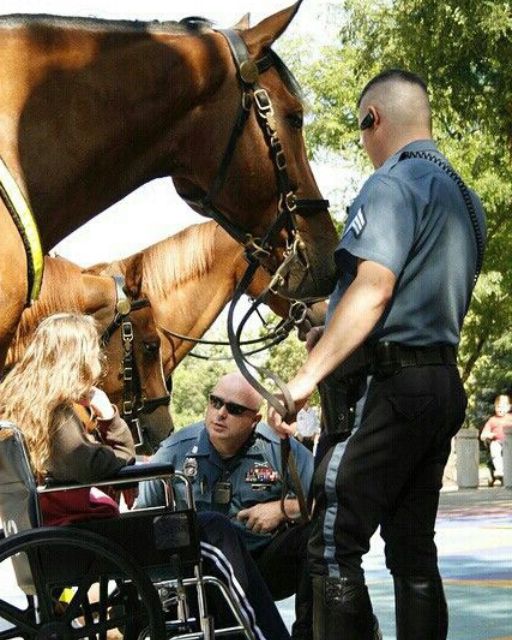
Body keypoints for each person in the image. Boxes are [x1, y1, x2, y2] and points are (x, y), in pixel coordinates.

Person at [268, 69, 486, 640]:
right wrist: (334, 333)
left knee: (332, 544)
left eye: (360, 129)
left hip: (392, 391)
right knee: (413, 551)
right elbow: (411, 295)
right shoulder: (466, 198)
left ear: (374, 120)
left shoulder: (392, 184)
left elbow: (375, 288)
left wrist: (301, 381)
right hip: (441, 383)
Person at [0, 313, 290, 640]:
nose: (98, 362)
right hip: (82, 542)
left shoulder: (17, 406)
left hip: (44, 540)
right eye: (94, 354)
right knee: (215, 530)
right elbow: (106, 465)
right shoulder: (55, 411)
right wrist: (110, 418)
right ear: (77, 357)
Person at [138, 371, 314, 640]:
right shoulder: (175, 451)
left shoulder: (279, 449)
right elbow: (143, 523)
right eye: (215, 402)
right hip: (196, 575)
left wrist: (282, 509)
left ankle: (307, 634)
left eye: (234, 409)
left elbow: (328, 501)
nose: (220, 413)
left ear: (254, 420)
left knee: (313, 536)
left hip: (262, 568)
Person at [480, 394, 512, 485]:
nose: (500, 409)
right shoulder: (492, 420)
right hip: (498, 442)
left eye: (502, 406)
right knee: (495, 446)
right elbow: (483, 435)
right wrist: (488, 434)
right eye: (498, 406)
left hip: (510, 442)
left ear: (509, 407)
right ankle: (499, 470)